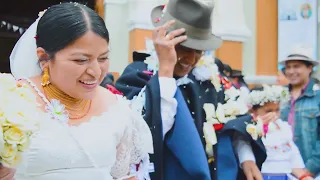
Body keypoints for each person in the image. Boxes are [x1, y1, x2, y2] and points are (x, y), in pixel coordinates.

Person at [115, 0, 272, 179]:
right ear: (163, 39)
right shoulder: (137, 75)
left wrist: (246, 158)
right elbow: (146, 134)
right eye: (183, 47)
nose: (191, 58)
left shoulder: (211, 80)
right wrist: (166, 70)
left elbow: (234, 121)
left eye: (199, 50)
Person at [1, 3, 153, 180]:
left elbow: (124, 175)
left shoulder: (117, 108)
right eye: (81, 60)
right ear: (44, 58)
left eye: (103, 58)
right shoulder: (10, 102)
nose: (95, 71)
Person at [246, 85, 306, 180]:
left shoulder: (283, 127)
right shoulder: (250, 129)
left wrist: (303, 176)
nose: (274, 114)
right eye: (268, 111)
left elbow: (293, 155)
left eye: (277, 110)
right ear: (253, 111)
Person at [280, 45, 320, 179]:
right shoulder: (278, 96)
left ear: (309, 68)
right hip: (282, 168)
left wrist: (308, 170)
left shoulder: (318, 97)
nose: (291, 71)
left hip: (312, 171)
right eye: (288, 67)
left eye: (296, 66)